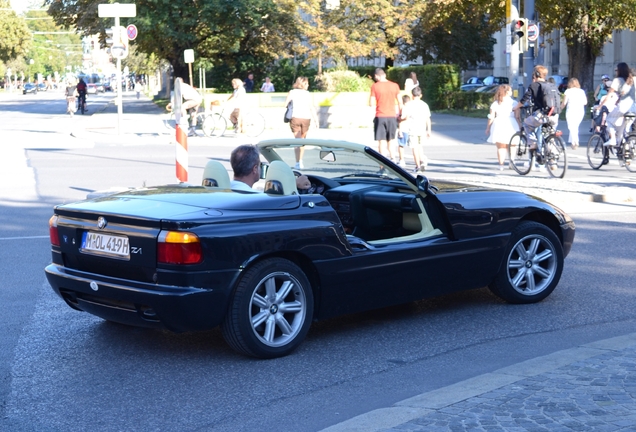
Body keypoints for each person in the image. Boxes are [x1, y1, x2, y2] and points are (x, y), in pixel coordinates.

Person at [513, 65, 558, 170]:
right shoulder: (551, 85)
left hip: (541, 115)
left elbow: (524, 99)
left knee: (527, 124)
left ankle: (533, 144)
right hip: (554, 116)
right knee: (549, 136)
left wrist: (516, 107)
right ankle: (552, 161)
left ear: (536, 74)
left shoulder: (534, 85)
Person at [230, 144, 311, 191]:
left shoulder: (222, 190)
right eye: (259, 165)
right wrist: (292, 184)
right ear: (255, 169)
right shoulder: (255, 199)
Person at [369, 68, 402, 163]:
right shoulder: (395, 85)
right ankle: (393, 159)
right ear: (385, 75)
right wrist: (400, 114)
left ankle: (382, 162)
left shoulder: (375, 86)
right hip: (392, 116)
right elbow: (400, 102)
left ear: (376, 76)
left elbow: (371, 103)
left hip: (380, 115)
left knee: (381, 140)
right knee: (391, 140)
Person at [284, 77, 318, 169]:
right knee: (302, 141)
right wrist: (316, 120)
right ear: (302, 84)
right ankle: (300, 160)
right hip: (306, 118)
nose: (308, 85)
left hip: (295, 117)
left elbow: (285, 104)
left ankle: (297, 162)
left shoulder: (292, 92)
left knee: (297, 141)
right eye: (306, 83)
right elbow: (311, 107)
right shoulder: (307, 94)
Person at [485, 84, 519, 170]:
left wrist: (488, 127)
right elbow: (517, 117)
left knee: (501, 147)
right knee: (512, 145)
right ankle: (512, 162)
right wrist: (520, 125)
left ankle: (501, 165)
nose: (511, 92)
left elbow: (491, 117)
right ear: (507, 92)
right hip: (511, 123)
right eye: (510, 90)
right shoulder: (514, 103)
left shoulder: (495, 103)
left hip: (498, 123)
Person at [603, 62, 635, 148]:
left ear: (619, 70)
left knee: (609, 119)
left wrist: (600, 106)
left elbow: (609, 95)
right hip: (633, 108)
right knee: (624, 129)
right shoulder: (631, 80)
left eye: (616, 70)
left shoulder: (617, 80)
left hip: (623, 107)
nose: (615, 72)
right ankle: (625, 149)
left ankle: (613, 139)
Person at [402, 86, 432, 173]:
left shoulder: (409, 104)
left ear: (412, 95)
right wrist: (428, 130)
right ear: (421, 95)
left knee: (414, 147)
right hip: (421, 129)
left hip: (412, 129)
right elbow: (428, 118)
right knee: (419, 145)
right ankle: (422, 160)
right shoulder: (424, 105)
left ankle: (418, 165)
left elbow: (406, 116)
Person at [561, 78, 587, 150]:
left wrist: (559, 109)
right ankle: (573, 142)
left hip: (571, 110)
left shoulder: (568, 91)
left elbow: (564, 103)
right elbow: (585, 102)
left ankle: (575, 141)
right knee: (575, 126)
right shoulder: (581, 91)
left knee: (571, 126)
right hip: (580, 110)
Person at [397, 94, 411, 168]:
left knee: (401, 145)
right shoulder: (411, 109)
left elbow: (401, 120)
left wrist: (399, 130)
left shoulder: (403, 108)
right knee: (412, 145)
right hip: (409, 129)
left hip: (404, 129)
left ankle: (401, 160)